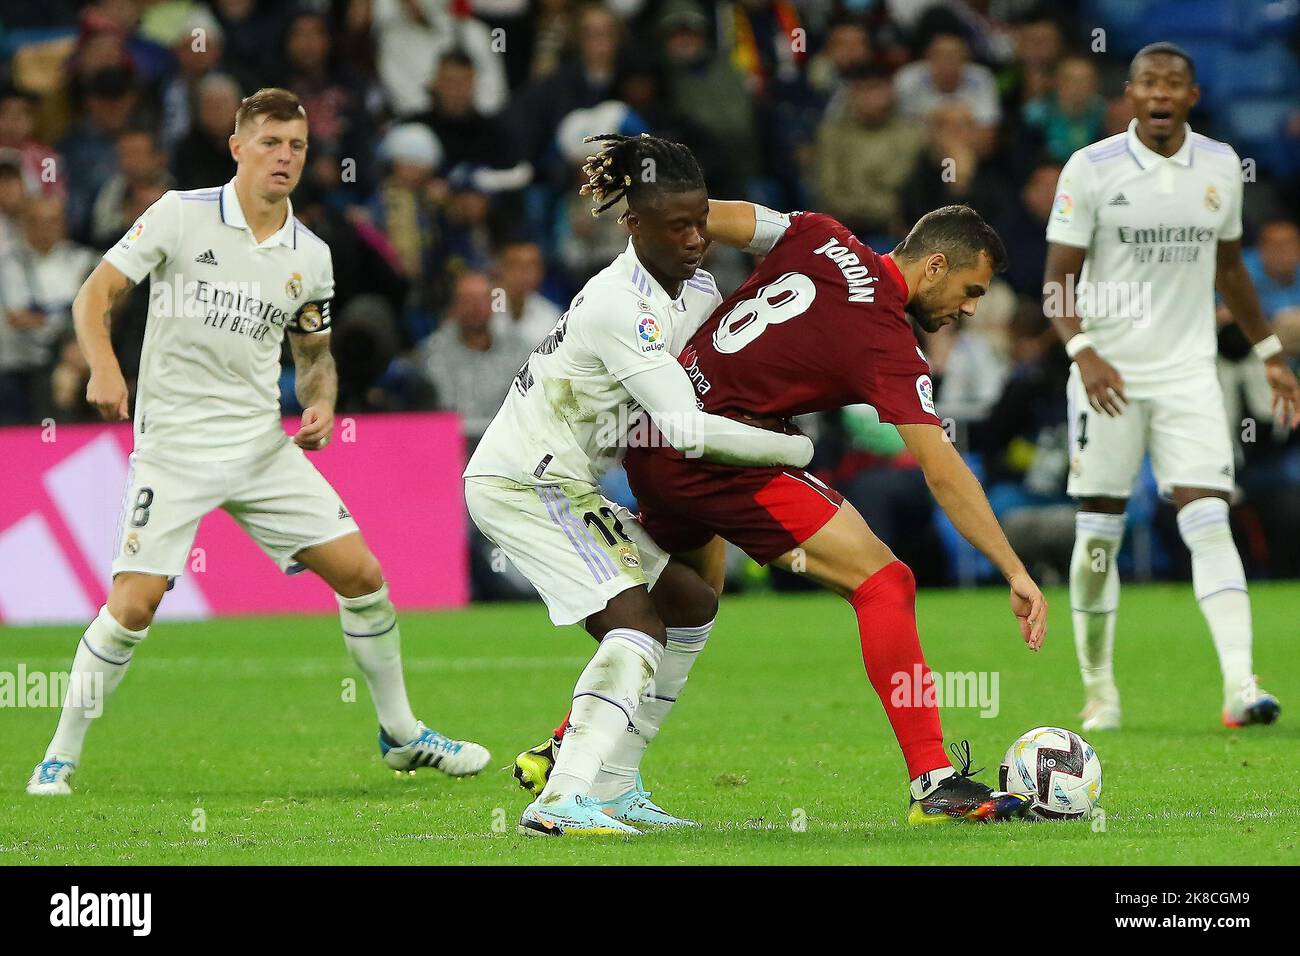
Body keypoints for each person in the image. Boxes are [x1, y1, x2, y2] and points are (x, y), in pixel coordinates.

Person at [26, 88, 489, 797]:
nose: (285, 156)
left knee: (363, 577)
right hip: (175, 446)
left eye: (297, 145)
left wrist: (322, 402)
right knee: (134, 606)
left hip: (258, 447)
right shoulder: (181, 215)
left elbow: (314, 354)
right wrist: (105, 367)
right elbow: (96, 294)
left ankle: (401, 734)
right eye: (271, 142)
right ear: (237, 147)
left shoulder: (310, 255)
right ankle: (58, 756)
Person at [525, 202, 1050, 825]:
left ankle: (566, 745)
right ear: (934, 265)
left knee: (684, 600)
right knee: (885, 583)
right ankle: (933, 781)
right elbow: (944, 472)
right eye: (970, 291)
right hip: (721, 455)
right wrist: (1014, 569)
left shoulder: (822, 234)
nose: (969, 309)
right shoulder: (884, 335)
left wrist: (652, 202)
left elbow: (704, 213)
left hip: (656, 436)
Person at [464, 133, 815, 836]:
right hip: (525, 482)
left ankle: (617, 785)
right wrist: (795, 448)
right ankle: (560, 798)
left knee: (689, 605)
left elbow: (782, 257)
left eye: (702, 222)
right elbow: (683, 428)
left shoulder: (701, 291)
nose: (694, 239)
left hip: (571, 485)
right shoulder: (616, 303)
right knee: (636, 627)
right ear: (632, 225)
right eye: (677, 226)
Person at [1042, 42, 1300, 732]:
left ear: (1191, 96)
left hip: (1189, 375)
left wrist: (1270, 352)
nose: (1160, 93)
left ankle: (1242, 686)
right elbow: (1056, 281)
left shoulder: (1219, 166)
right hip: (1109, 378)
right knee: (1098, 536)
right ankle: (1100, 691)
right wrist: (1084, 350)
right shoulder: (1090, 169)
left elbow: (1232, 271)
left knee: (1209, 517)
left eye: (1174, 83)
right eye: (1147, 82)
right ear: (1128, 93)